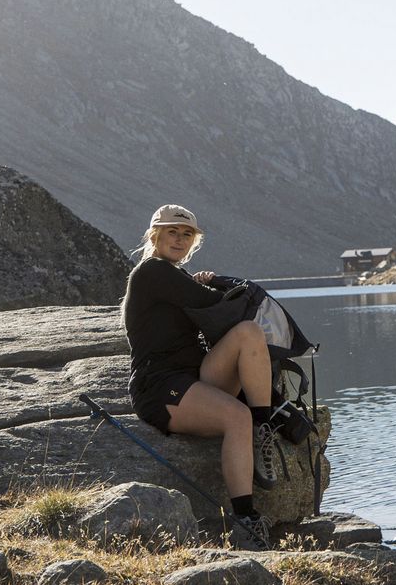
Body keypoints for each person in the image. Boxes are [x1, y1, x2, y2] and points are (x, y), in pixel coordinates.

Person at [120, 203, 300, 546]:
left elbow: (215, 309)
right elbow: (214, 305)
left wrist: (202, 284)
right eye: (172, 232)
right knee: (235, 416)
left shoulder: (176, 276)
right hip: (161, 385)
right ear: (154, 235)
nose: (180, 239)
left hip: (196, 376)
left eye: (187, 234)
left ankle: (262, 425)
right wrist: (212, 285)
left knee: (248, 332)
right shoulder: (152, 272)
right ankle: (246, 520)